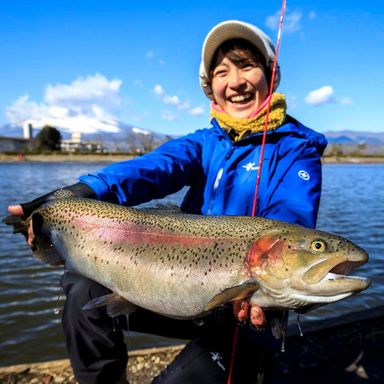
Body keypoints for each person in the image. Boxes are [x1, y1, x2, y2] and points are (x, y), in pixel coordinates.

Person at [8, 20, 327, 384]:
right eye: (221, 72)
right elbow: (155, 168)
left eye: (247, 66)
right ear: (210, 88)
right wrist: (86, 191)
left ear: (272, 75)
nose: (235, 82)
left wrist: (266, 278)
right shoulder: (203, 143)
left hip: (246, 306)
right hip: (172, 290)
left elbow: (290, 216)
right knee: (82, 289)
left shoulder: (297, 149)